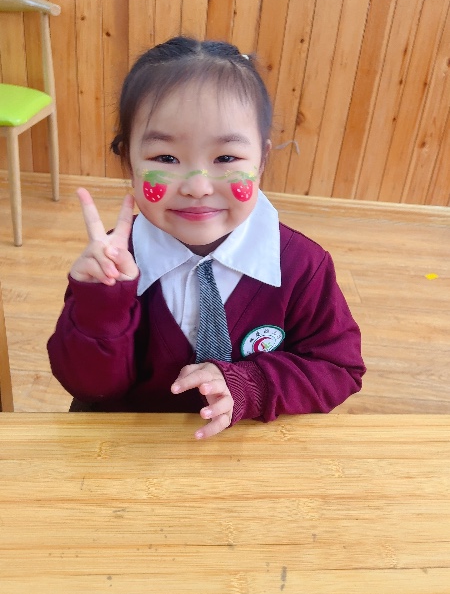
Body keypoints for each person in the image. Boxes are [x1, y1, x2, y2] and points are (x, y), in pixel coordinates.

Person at [47, 36, 365, 439]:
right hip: (130, 452)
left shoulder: (302, 265)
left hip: (245, 451)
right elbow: (90, 389)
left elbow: (337, 368)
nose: (197, 187)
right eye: (166, 158)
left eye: (226, 158)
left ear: (262, 160)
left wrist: (251, 385)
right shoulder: (109, 266)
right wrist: (101, 308)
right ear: (128, 160)